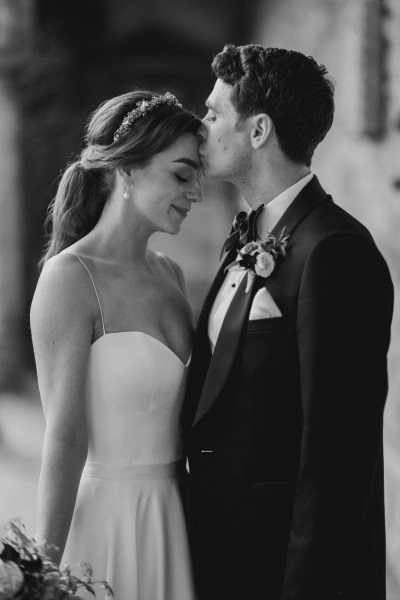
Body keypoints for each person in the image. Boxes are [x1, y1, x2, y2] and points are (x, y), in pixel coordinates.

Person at [181, 43, 394, 600]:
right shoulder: (247, 235)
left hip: (279, 566)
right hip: (218, 551)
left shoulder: (335, 250)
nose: (201, 128)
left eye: (214, 113)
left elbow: (338, 454)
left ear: (258, 131)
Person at [31, 90, 202, 600]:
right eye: (181, 174)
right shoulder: (69, 278)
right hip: (109, 524)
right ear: (127, 170)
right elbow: (63, 439)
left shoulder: (171, 274)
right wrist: (41, 569)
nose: (196, 193)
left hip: (179, 518)